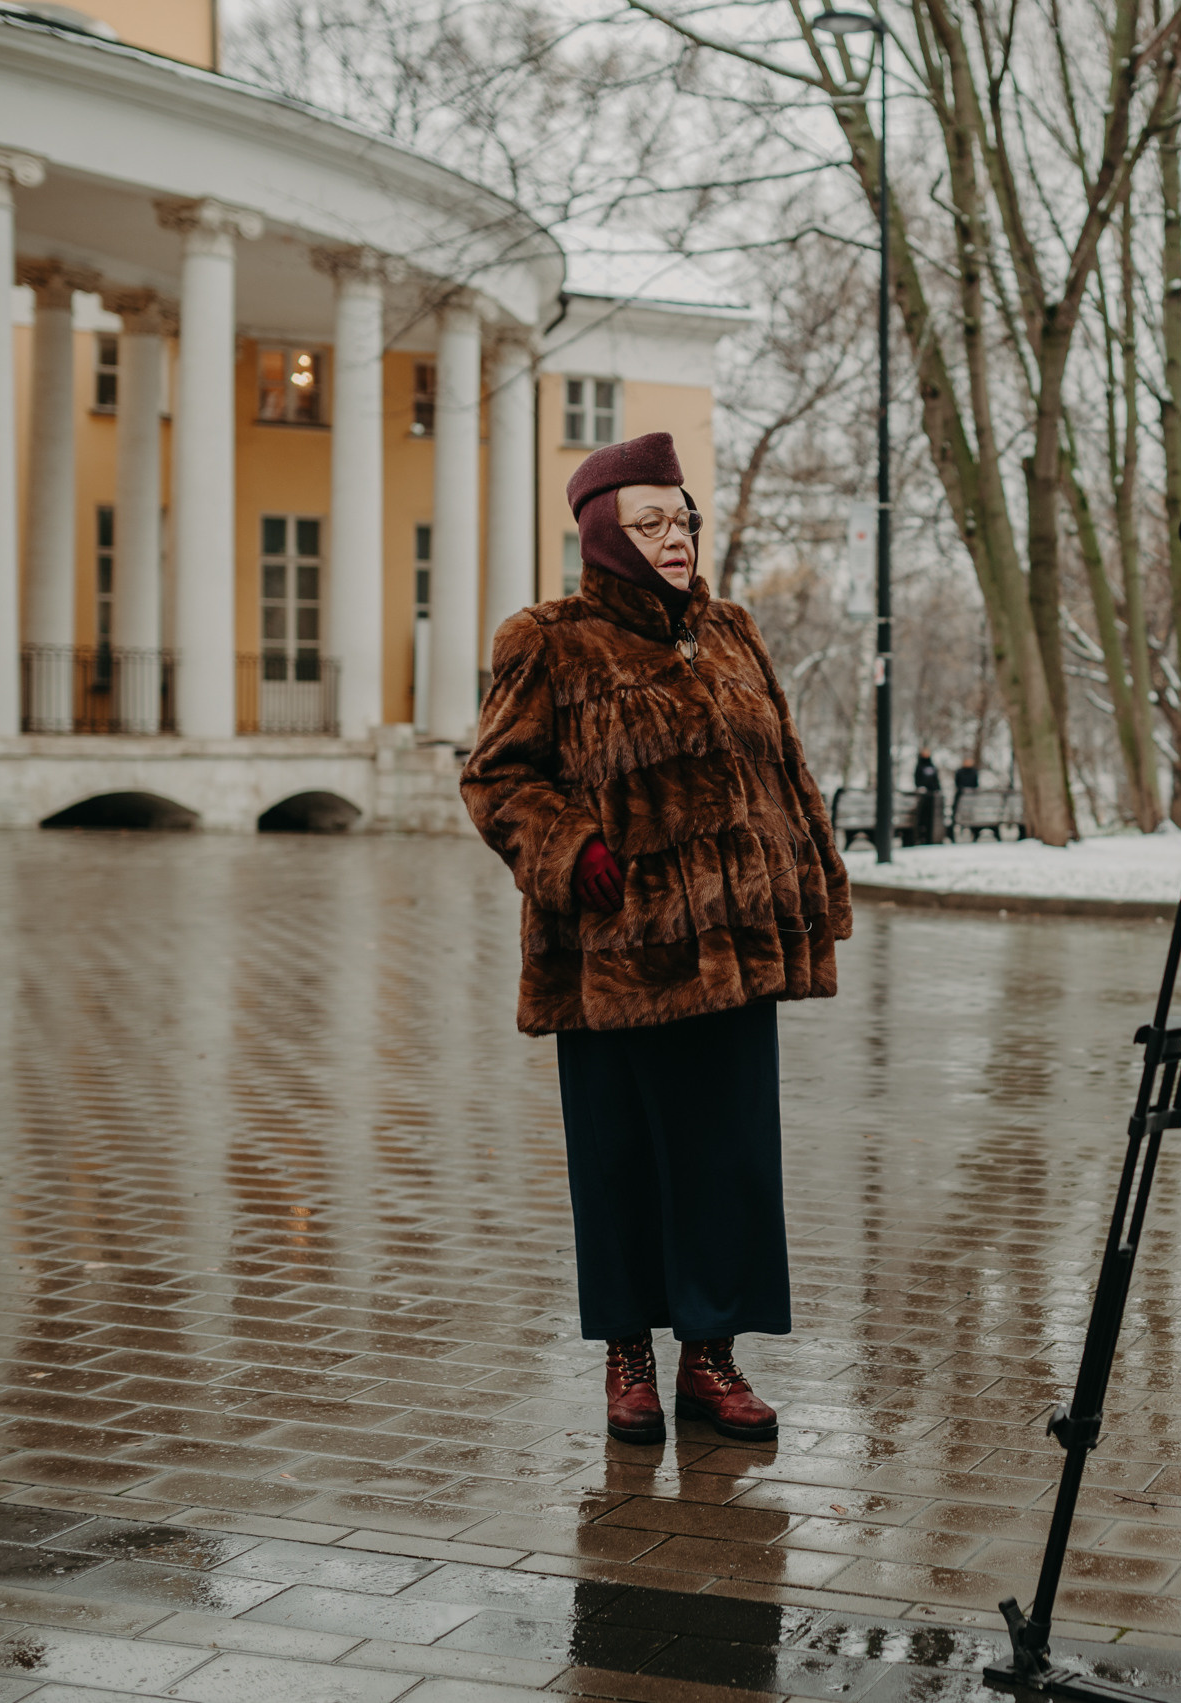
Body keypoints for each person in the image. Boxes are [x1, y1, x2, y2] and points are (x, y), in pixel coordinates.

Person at [462, 431, 851, 1449]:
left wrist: (808, 891)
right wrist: (568, 847)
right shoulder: (548, 639)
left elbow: (786, 772)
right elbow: (495, 776)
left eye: (681, 519)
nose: (675, 538)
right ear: (603, 535)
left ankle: (711, 1359)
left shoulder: (731, 629)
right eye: (650, 523)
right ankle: (628, 1356)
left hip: (734, 951)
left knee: (728, 1159)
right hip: (618, 953)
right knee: (622, 1158)